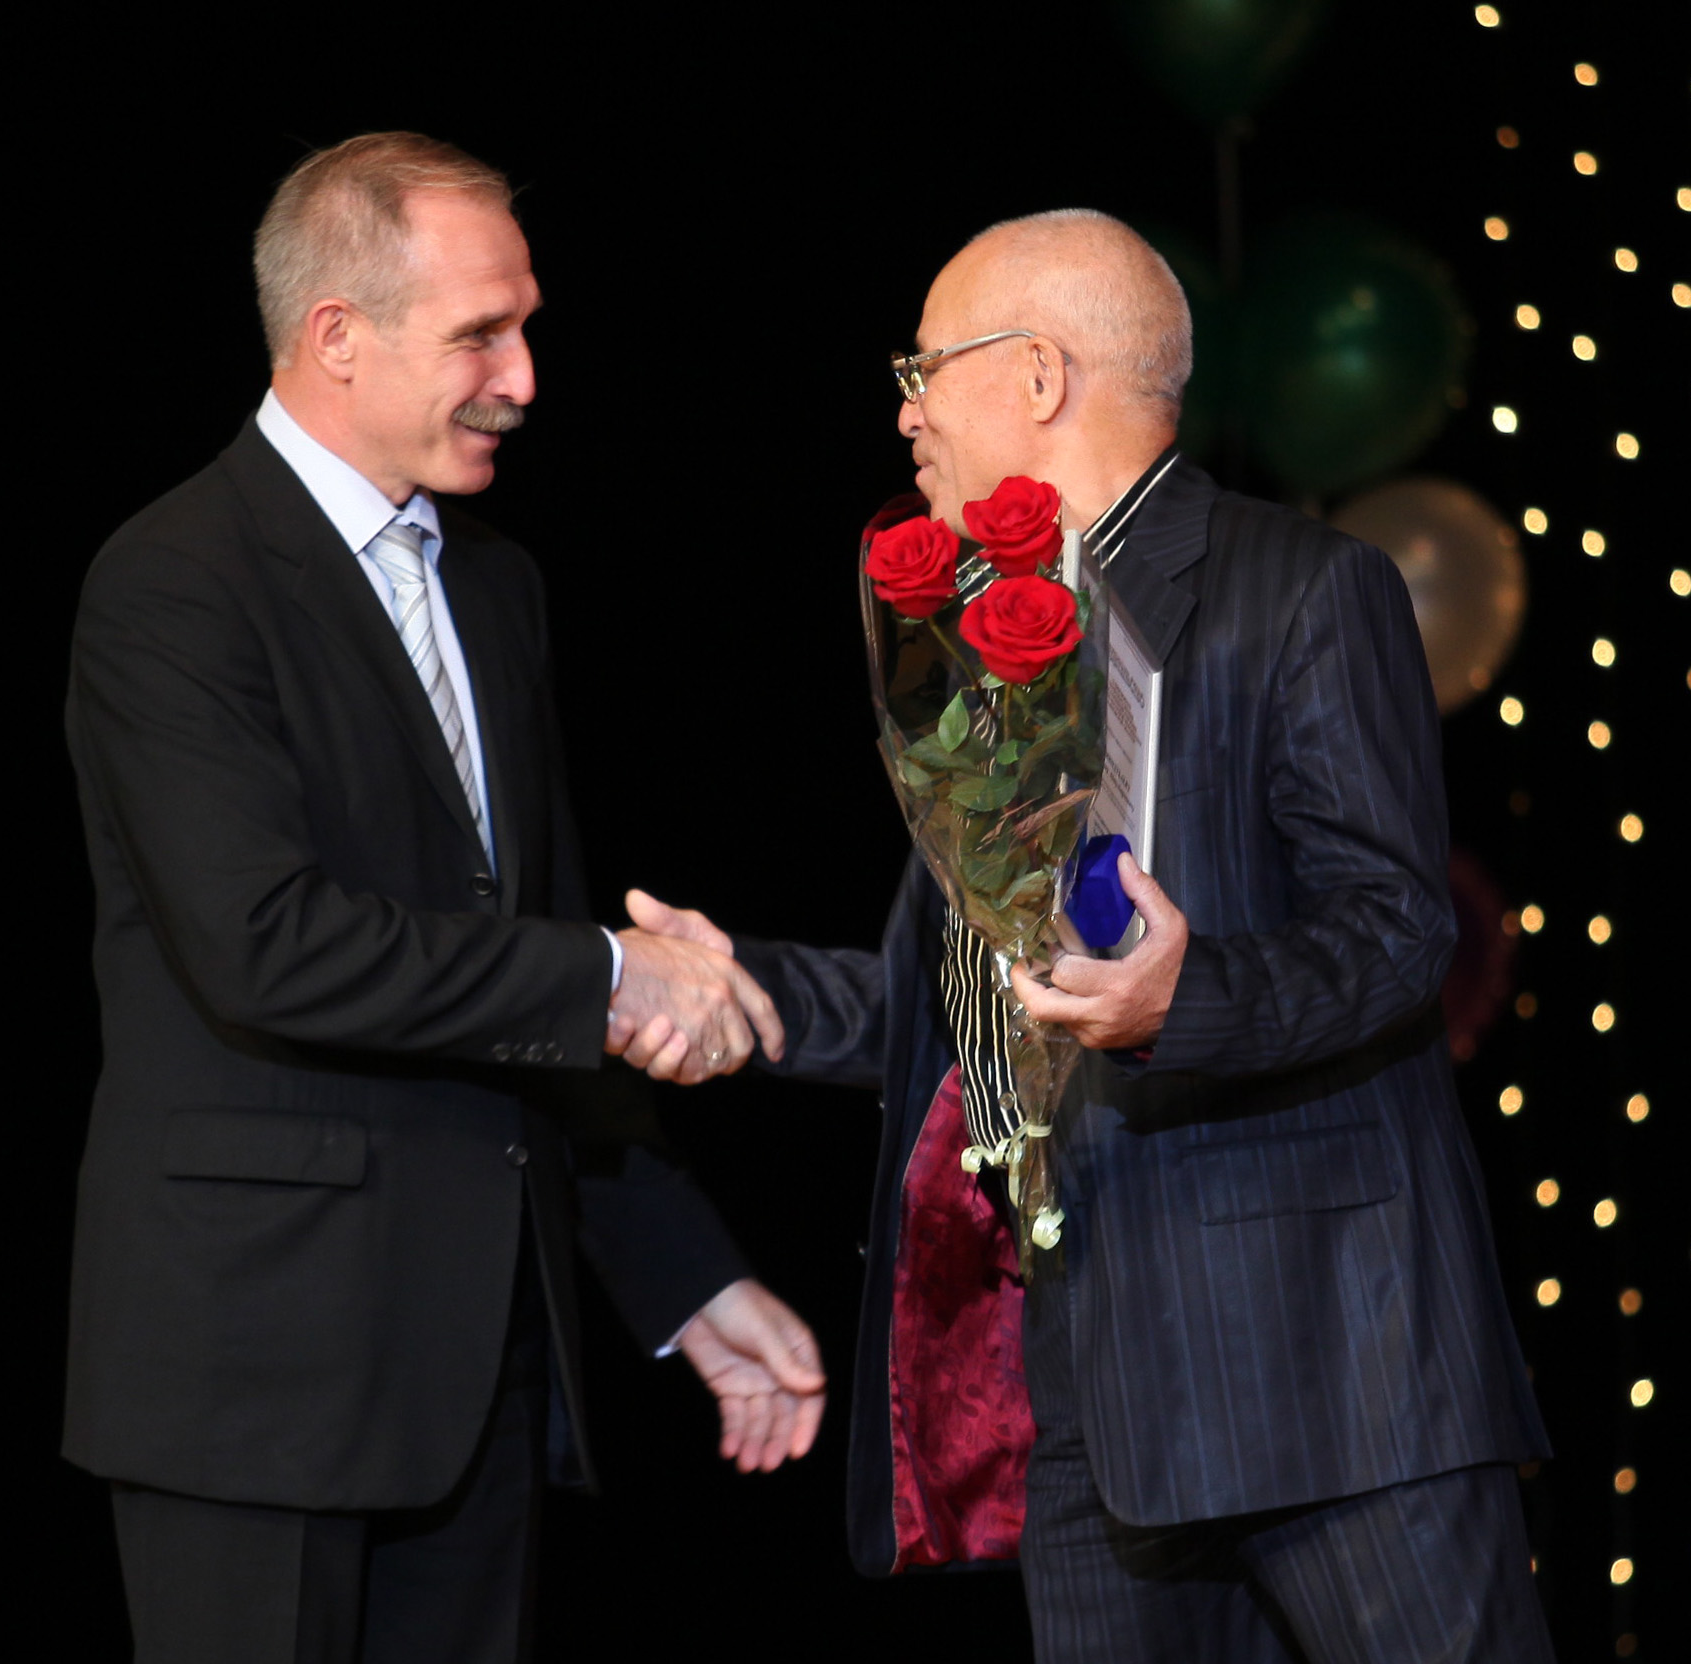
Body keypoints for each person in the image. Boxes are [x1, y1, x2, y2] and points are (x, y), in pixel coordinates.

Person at [623, 210, 1554, 1661]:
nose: (905, 412)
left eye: (923, 368)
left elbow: (1394, 933)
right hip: (1093, 1408)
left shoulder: (1301, 589)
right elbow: (959, 1006)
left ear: (1039, 374)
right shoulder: (980, 641)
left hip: (1332, 1376)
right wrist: (731, 989)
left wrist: (1186, 1000)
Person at [62, 132, 823, 1664]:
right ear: (337, 334)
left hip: (484, 1361)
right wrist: (618, 976)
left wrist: (682, 1275)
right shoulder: (174, 582)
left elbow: (525, 957)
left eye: (525, 328)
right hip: (259, 1376)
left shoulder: (497, 582)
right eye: (482, 334)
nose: (524, 379)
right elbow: (268, 949)